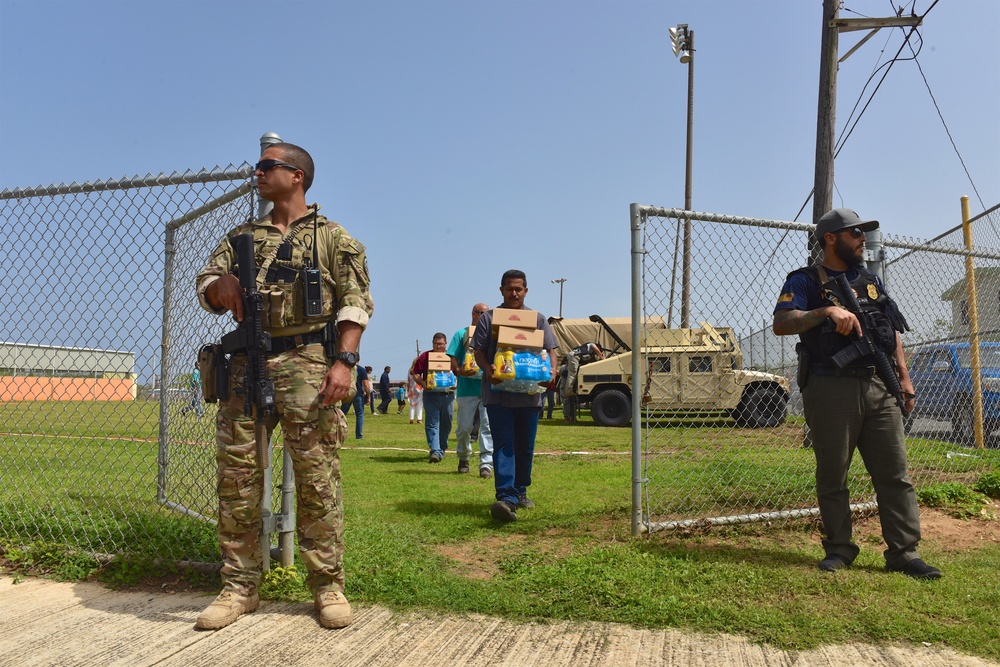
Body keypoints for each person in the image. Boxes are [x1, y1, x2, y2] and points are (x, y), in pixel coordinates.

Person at [193, 141, 375, 630]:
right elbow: (206, 280)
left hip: (309, 363)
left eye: (266, 166)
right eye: (258, 165)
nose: (257, 172)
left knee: (317, 478)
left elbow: (356, 303)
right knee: (238, 478)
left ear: (296, 175)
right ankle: (238, 587)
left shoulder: (333, 238)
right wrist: (219, 287)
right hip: (246, 364)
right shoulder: (241, 237)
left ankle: (327, 586)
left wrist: (344, 361)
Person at [772, 207, 940, 580]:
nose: (863, 239)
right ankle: (840, 548)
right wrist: (827, 310)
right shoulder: (803, 280)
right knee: (833, 474)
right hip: (830, 387)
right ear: (831, 238)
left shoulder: (869, 279)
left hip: (880, 387)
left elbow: (889, 331)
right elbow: (782, 323)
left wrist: (905, 378)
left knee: (895, 475)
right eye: (855, 234)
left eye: (864, 234)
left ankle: (904, 552)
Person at [472, 270, 558, 523]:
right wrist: (489, 370)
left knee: (525, 446)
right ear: (501, 290)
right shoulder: (489, 318)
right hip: (498, 396)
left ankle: (521, 491)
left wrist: (551, 372)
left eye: (519, 289)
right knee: (504, 445)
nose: (514, 293)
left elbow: (550, 349)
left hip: (530, 396)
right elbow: (478, 351)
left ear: (526, 290)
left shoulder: (537, 319)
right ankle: (506, 496)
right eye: (509, 288)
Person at [447, 303, 494, 477]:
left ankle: (486, 464)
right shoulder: (461, 334)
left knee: (488, 426)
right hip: (467, 389)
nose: (483, 315)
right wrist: (458, 371)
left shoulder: (492, 334)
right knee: (464, 427)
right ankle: (464, 456)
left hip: (488, 386)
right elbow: (452, 355)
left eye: (486, 313)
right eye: (480, 312)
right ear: (473, 313)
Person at [410, 334, 455, 462]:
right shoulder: (425, 356)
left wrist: (455, 384)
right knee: (432, 423)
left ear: (446, 343)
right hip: (431, 395)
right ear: (432, 343)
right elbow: (415, 373)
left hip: (448, 395)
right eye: (436, 343)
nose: (438, 346)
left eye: (441, 344)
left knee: (447, 422)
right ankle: (435, 451)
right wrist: (423, 384)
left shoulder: (450, 357)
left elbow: (457, 373)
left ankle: (442, 448)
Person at [560, 342, 603, 423]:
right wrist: (601, 357)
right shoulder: (591, 345)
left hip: (574, 358)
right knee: (573, 373)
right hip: (566, 385)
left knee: (572, 402)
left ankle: (572, 418)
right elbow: (595, 348)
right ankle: (568, 391)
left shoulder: (583, 351)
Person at [341, 362, 371, 440]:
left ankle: (337, 432)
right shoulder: (361, 369)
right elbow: (366, 384)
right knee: (360, 414)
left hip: (348, 393)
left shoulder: (346, 368)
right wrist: (368, 396)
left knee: (341, 414)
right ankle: (359, 435)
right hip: (358, 394)